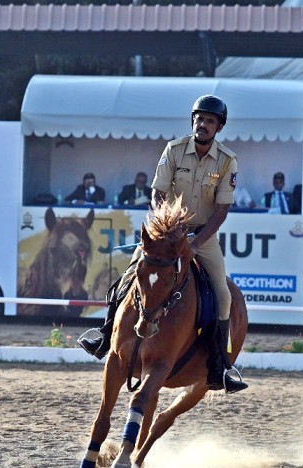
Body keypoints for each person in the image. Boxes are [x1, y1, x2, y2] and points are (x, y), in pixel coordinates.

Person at [79, 95, 247, 393]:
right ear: (192, 120)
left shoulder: (227, 161)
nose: (202, 124)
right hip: (168, 230)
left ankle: (220, 365)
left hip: (202, 235)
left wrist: (195, 244)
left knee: (222, 294)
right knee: (127, 279)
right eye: (199, 118)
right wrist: (165, 224)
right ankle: (105, 335)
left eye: (209, 120)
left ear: (219, 127)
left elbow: (221, 211)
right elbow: (157, 193)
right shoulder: (173, 149)